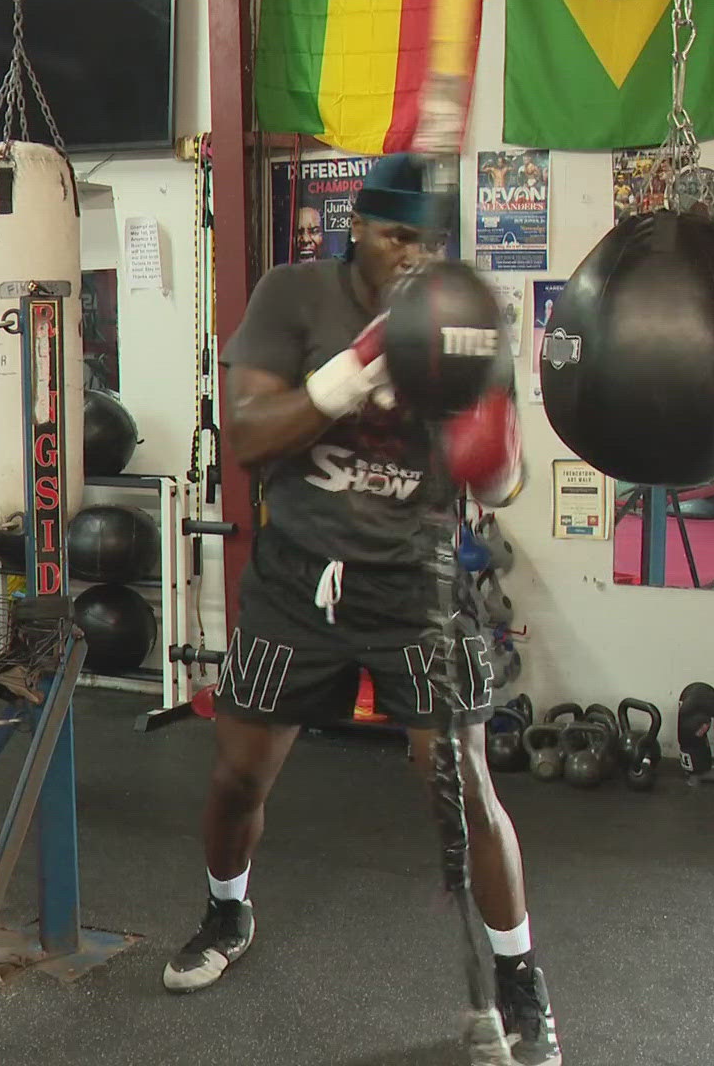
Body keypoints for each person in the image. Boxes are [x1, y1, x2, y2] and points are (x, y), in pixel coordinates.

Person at [164, 154, 560, 1066]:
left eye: (429, 240)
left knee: (459, 785)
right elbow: (249, 436)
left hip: (410, 583)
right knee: (238, 778)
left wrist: (474, 427)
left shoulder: (468, 312)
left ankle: (518, 975)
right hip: (294, 579)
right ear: (358, 229)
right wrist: (353, 373)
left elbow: (504, 481)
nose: (414, 256)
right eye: (396, 236)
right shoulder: (294, 297)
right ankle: (228, 908)